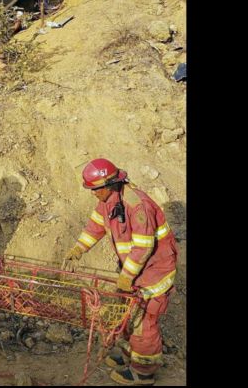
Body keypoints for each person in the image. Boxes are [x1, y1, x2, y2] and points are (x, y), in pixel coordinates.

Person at [63, 158, 178, 386]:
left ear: (110, 184)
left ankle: (143, 373)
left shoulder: (137, 206)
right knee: (127, 316)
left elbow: (143, 248)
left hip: (153, 275)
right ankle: (129, 356)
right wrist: (78, 248)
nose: (93, 193)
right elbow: (96, 226)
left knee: (143, 324)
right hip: (136, 273)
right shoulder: (109, 199)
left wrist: (126, 276)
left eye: (95, 189)